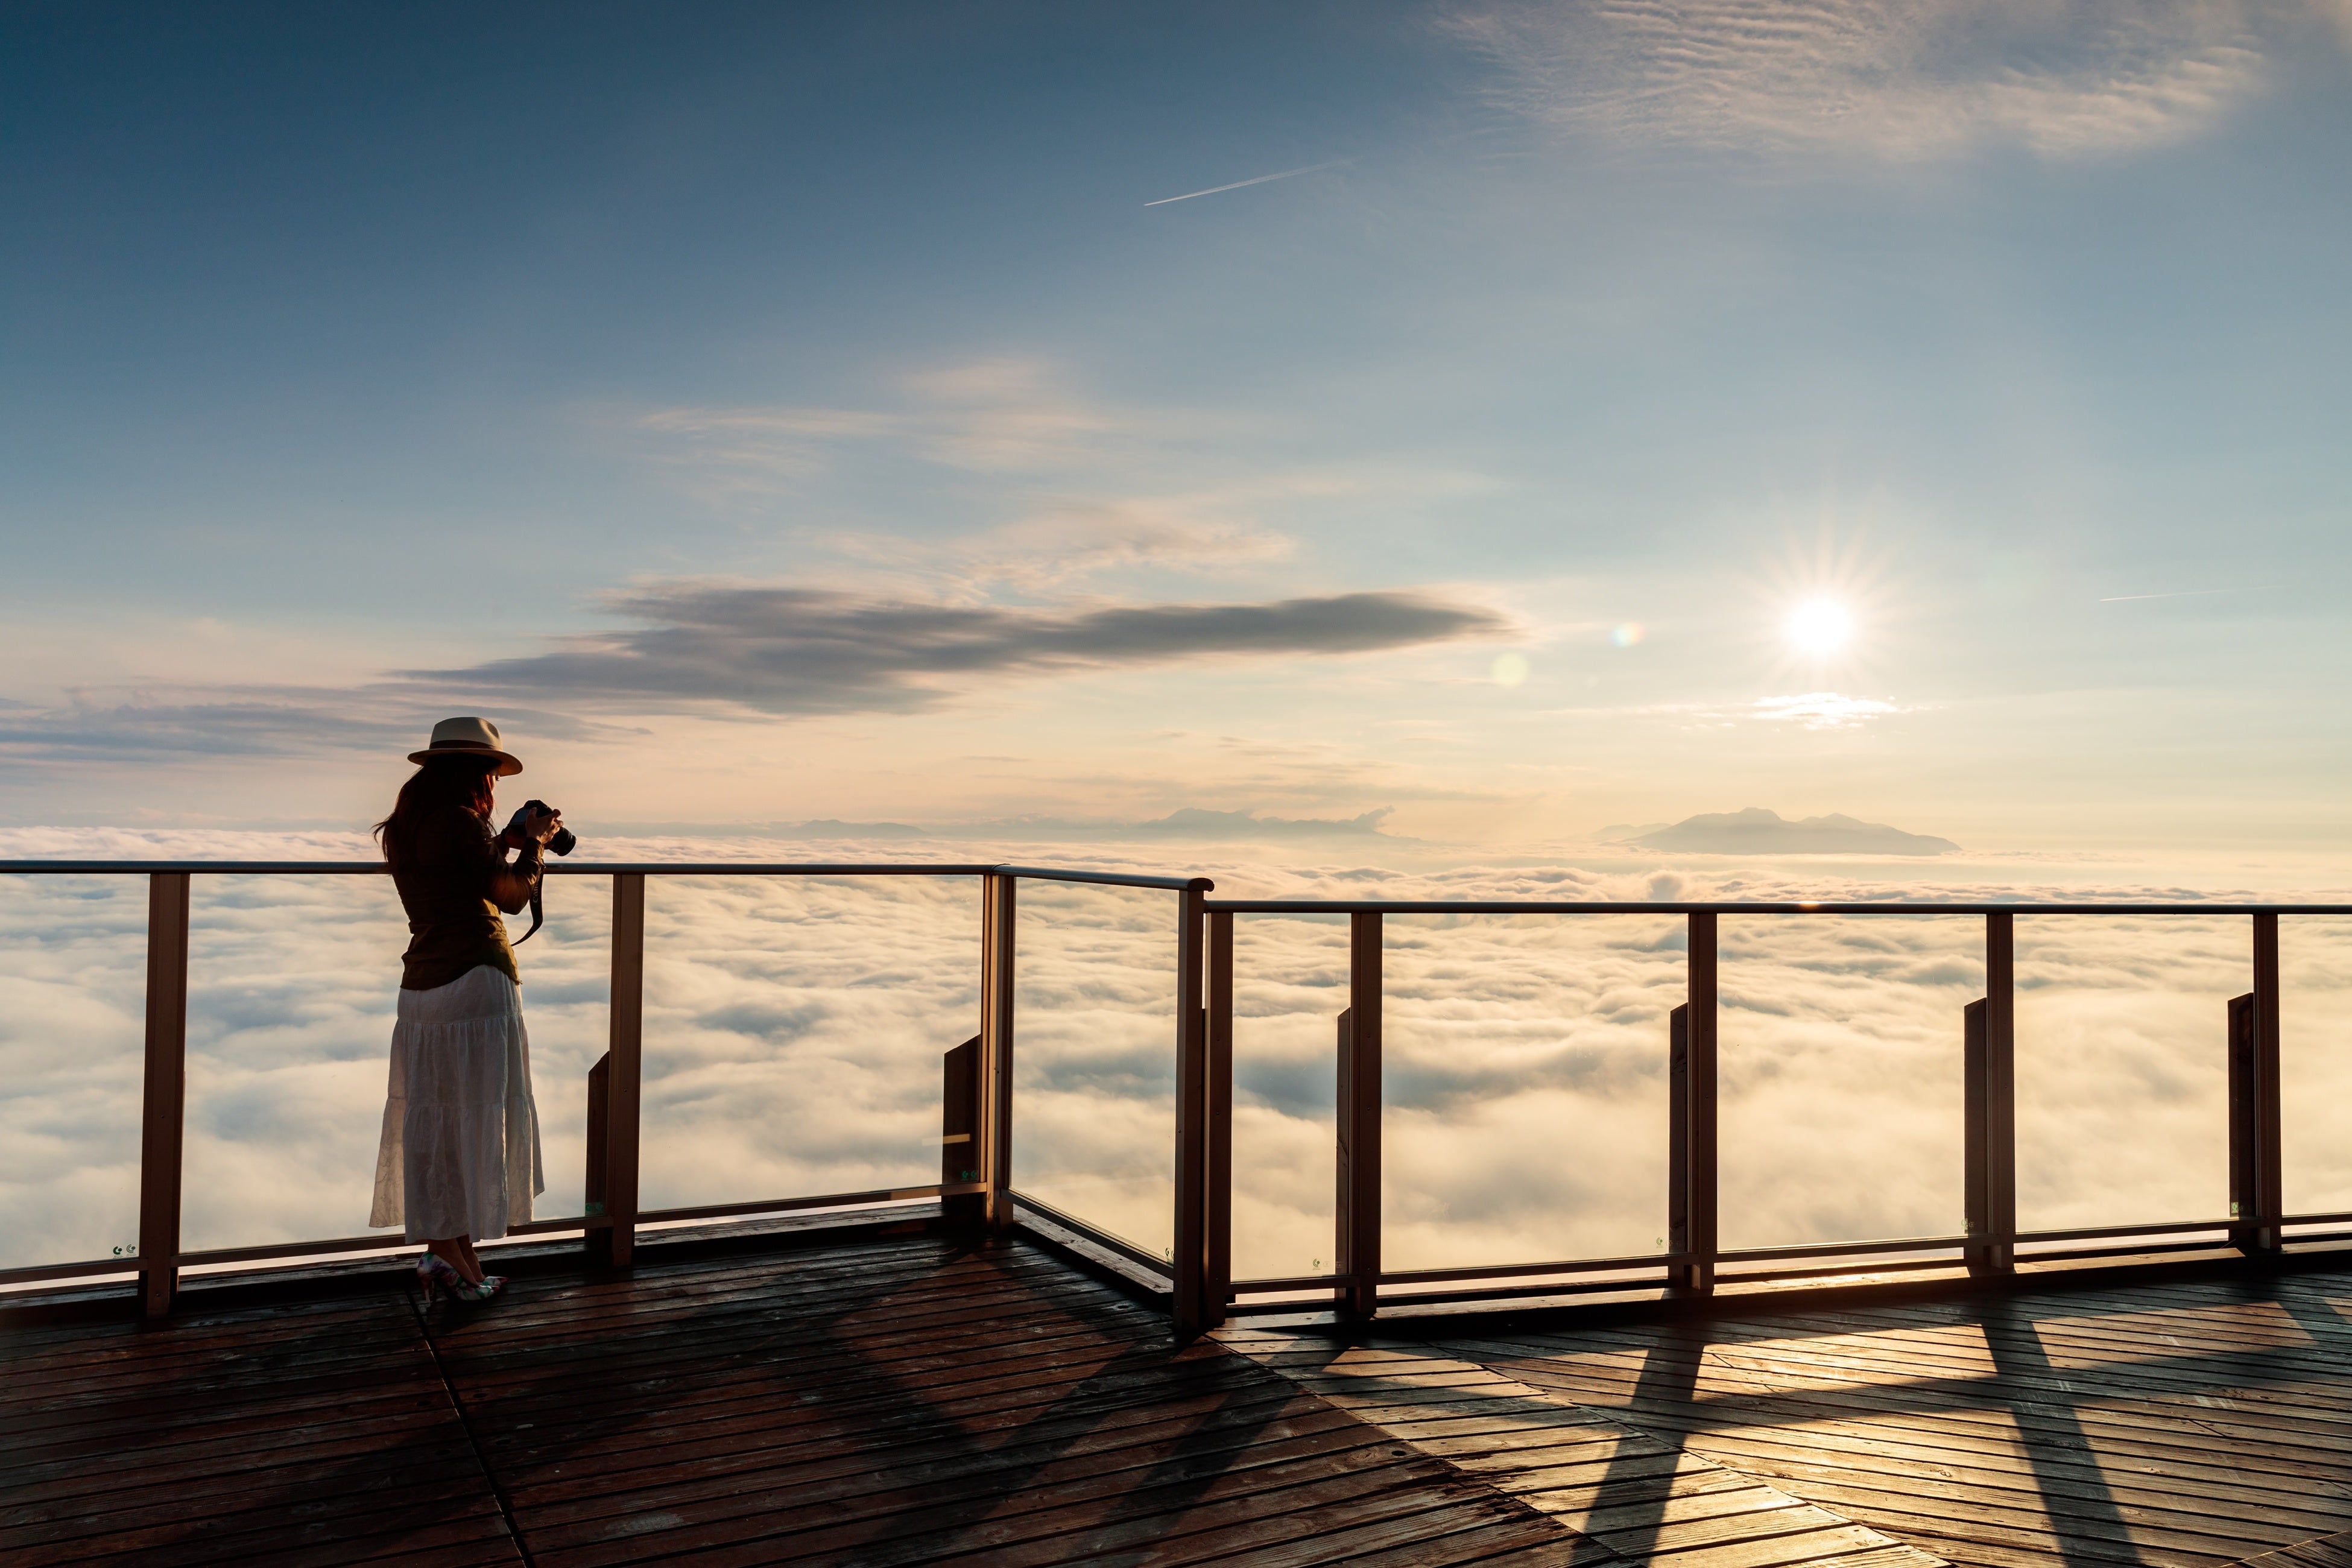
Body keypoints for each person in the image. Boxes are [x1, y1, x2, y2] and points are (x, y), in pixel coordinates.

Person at [368, 716, 561, 1304]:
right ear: (478, 774)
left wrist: (498, 840)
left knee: (436, 1124)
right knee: (469, 1117)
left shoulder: (406, 825)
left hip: (422, 988)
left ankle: (453, 1256)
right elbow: (508, 894)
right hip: (476, 979)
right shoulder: (461, 820)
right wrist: (535, 844)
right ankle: (450, 1259)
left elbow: (453, 867)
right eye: (491, 773)